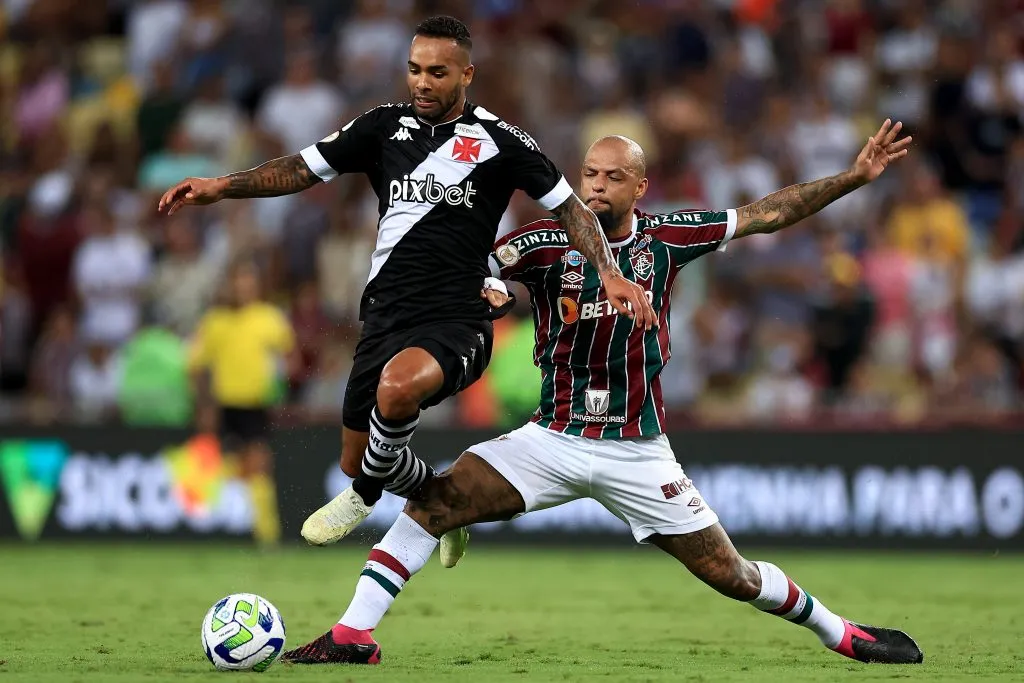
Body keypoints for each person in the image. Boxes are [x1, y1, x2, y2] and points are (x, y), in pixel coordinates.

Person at [281, 122, 924, 667]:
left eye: (613, 176)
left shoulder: (670, 236)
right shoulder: (542, 241)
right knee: (435, 504)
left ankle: (844, 634)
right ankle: (351, 634)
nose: (595, 185)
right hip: (550, 438)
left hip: (636, 448)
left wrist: (851, 177)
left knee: (732, 575)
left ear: (640, 187)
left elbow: (766, 213)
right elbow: (481, 263)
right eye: (590, 173)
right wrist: (492, 287)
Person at [157, 16, 656, 549]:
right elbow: (301, 169)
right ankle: (441, 501)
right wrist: (220, 186)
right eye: (415, 70)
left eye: (437, 72)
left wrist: (608, 270)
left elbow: (572, 211)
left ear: (467, 74)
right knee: (355, 455)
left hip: (458, 318)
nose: (422, 82)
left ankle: (366, 495)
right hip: (384, 316)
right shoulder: (381, 127)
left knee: (395, 394)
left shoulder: (503, 142)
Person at [189, 260, 295, 546]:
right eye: (238, 283)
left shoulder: (269, 318)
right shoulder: (215, 322)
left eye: (248, 283)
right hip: (224, 404)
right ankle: (216, 526)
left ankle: (266, 536)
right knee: (231, 467)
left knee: (258, 466)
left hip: (255, 405)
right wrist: (205, 404)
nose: (242, 289)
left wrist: (280, 388)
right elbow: (196, 365)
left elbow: (289, 359)